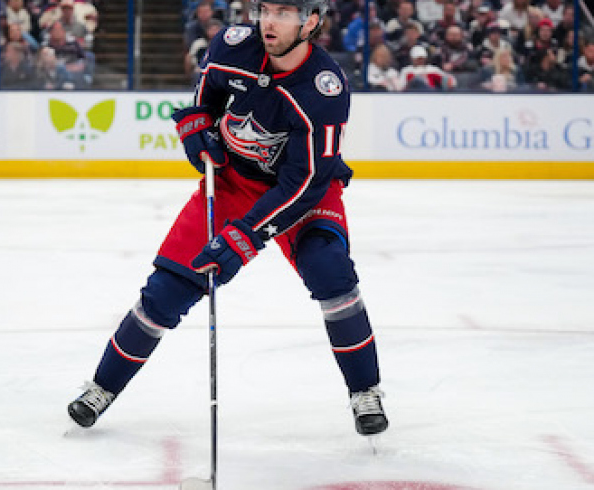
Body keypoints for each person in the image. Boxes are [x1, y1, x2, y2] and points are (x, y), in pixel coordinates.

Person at [67, 0, 389, 438]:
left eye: (283, 13)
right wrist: (197, 130)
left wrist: (245, 236)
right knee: (166, 291)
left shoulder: (323, 89)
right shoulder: (233, 45)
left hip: (301, 194)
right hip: (235, 182)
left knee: (330, 270)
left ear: (310, 22)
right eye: (265, 9)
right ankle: (102, 386)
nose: (268, 21)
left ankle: (364, 390)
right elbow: (205, 98)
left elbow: (305, 181)